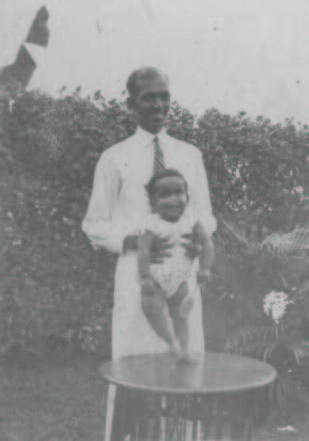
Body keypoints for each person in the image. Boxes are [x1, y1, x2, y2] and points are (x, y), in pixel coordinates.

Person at [81, 67, 216, 441]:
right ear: (131, 104)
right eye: (148, 97)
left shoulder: (190, 155)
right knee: (132, 369)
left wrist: (197, 241)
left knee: (186, 367)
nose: (158, 104)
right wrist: (135, 241)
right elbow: (95, 224)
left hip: (183, 279)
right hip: (137, 279)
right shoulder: (114, 158)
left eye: (164, 97)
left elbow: (206, 215)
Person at [137, 168, 213, 363]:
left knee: (181, 315)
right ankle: (171, 341)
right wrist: (145, 277)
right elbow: (143, 250)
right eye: (164, 195)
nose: (173, 199)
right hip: (155, 276)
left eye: (179, 193)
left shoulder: (192, 221)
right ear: (153, 202)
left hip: (180, 277)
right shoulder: (151, 223)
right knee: (151, 307)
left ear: (187, 196)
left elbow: (207, 243)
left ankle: (183, 350)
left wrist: (205, 267)